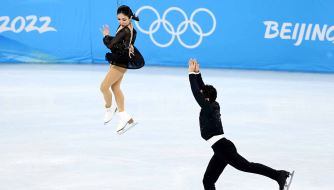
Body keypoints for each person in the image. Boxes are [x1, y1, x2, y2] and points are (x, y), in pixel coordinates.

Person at [187, 58, 292, 190]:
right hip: (220, 149)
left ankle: (279, 175)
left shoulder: (208, 107)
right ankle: (278, 175)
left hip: (223, 148)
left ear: (206, 99)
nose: (200, 96)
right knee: (208, 180)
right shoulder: (212, 104)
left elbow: (197, 93)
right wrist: (197, 74)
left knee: (247, 166)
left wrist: (190, 74)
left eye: (203, 96)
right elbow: (202, 90)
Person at [100, 5, 144, 133]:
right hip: (120, 59)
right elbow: (120, 43)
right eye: (119, 19)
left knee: (103, 87)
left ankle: (109, 109)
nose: (121, 22)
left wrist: (106, 35)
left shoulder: (125, 31)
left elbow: (110, 44)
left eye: (124, 19)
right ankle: (125, 117)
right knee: (115, 87)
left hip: (120, 62)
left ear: (130, 17)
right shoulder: (129, 28)